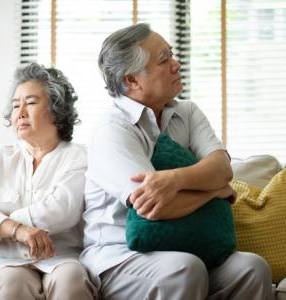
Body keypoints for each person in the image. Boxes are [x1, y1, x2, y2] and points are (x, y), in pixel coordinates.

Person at [81, 23, 272, 300]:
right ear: (132, 80)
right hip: (120, 257)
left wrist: (174, 180)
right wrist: (214, 191)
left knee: (251, 268)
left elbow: (222, 168)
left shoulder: (188, 112)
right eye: (164, 60)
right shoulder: (112, 131)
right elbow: (156, 209)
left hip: (187, 247)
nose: (176, 64)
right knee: (185, 268)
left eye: (171, 54)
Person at [0, 63, 97, 299]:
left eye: (30, 103)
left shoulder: (79, 156)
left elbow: (62, 210)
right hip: (5, 259)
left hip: (60, 257)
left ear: (56, 110)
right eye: (15, 105)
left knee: (70, 279)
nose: (20, 112)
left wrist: (3, 225)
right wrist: (16, 230)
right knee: (12, 282)